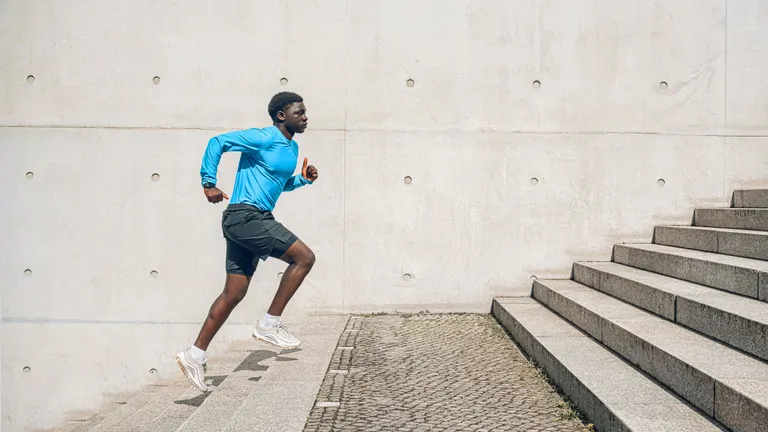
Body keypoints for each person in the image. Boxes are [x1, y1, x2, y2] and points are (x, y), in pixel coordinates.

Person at [175, 91, 318, 392]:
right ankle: (269, 324)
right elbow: (218, 143)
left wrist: (303, 179)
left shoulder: (292, 147)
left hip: (250, 218)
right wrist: (208, 182)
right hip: (246, 217)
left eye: (305, 112)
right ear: (282, 115)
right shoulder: (264, 137)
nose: (305, 117)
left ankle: (194, 354)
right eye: (299, 112)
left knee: (234, 292)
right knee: (304, 258)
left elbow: (278, 183)